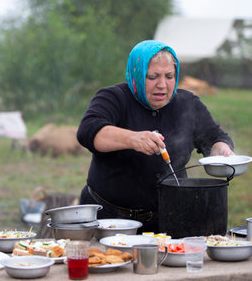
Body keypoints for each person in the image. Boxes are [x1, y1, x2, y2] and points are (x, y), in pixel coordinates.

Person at [77, 40, 234, 232]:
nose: (162, 85)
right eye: (152, 77)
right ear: (137, 74)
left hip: (170, 219)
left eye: (169, 76)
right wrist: (133, 139)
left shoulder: (188, 104)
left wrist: (222, 150)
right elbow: (88, 131)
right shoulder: (113, 98)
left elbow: (214, 137)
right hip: (110, 220)